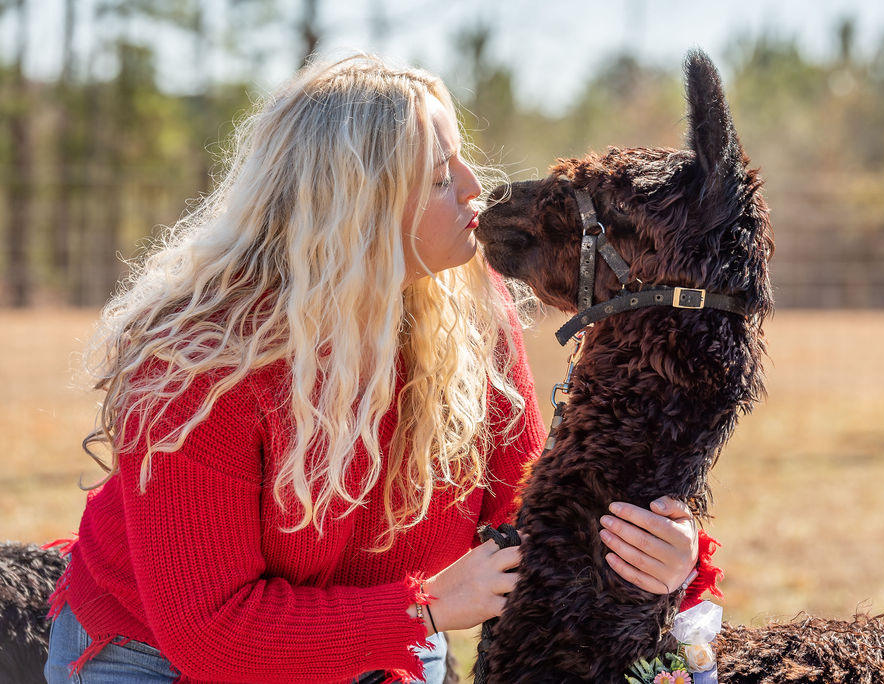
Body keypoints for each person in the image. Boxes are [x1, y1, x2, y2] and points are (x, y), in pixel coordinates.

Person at [44, 54, 701, 684]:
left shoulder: (472, 309)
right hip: (163, 658)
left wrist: (662, 558)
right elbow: (213, 631)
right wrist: (427, 611)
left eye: (461, 159)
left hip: (391, 643)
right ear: (355, 209)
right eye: (439, 178)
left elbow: (527, 508)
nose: (474, 187)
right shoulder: (202, 362)